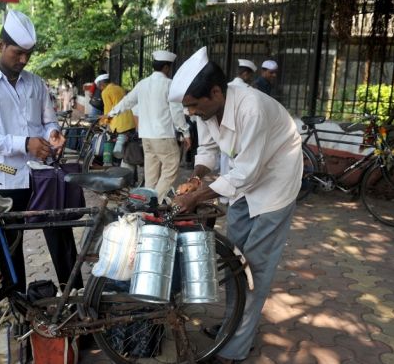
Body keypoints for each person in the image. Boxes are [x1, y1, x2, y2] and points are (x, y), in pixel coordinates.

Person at [168, 47, 302, 364]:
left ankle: (235, 348)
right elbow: (209, 152)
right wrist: (197, 177)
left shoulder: (252, 107)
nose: (192, 113)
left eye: (194, 106)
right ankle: (232, 326)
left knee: (254, 268)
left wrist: (196, 197)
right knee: (234, 262)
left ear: (215, 92)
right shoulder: (204, 108)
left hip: (274, 187)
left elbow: (249, 171)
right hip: (241, 186)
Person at [0, 10, 82, 292]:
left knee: (60, 235)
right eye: (17, 53)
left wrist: (52, 134)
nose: (23, 60)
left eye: (27, 54)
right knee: (10, 245)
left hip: (42, 175)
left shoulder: (36, 83)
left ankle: (74, 297)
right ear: (1, 47)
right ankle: (17, 308)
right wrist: (25, 143)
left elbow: (48, 121)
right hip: (4, 179)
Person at [108, 50, 191, 200]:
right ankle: (155, 201)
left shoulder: (142, 84)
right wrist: (186, 133)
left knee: (151, 175)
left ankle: (145, 205)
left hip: (146, 136)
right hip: (163, 136)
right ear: (166, 67)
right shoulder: (169, 84)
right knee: (170, 168)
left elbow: (128, 101)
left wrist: (111, 113)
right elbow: (177, 111)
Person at [220, 59, 257, 204]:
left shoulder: (226, 88)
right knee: (238, 166)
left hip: (224, 133)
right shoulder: (249, 91)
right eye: (251, 75)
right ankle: (233, 197)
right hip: (240, 135)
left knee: (224, 163)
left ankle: (223, 195)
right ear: (246, 74)